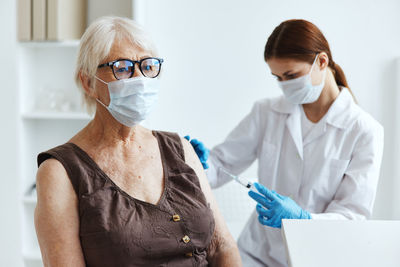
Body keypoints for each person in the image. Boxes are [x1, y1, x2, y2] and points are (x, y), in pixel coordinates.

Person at [34, 16, 241, 267]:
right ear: (88, 82)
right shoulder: (59, 171)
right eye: (122, 68)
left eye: (148, 66)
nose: (140, 79)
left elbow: (222, 247)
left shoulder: (180, 149)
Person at [186, 19, 384, 266]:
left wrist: (303, 220)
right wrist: (199, 164)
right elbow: (220, 166)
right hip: (257, 255)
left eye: (291, 75)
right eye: (278, 77)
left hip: (318, 257)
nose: (284, 85)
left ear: (322, 61)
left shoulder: (364, 131)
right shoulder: (266, 112)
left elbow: (352, 216)